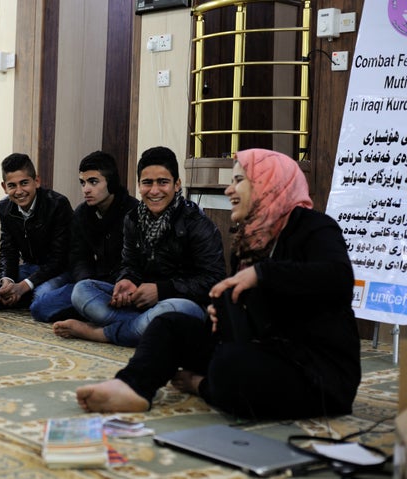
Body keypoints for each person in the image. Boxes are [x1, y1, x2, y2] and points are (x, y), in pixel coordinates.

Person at [75, 148, 361, 420]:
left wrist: (261, 274)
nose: (228, 190)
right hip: (266, 353)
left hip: (316, 373)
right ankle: (132, 387)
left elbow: (337, 278)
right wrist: (225, 315)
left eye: (239, 180)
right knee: (169, 325)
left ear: (267, 183)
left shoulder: (313, 226)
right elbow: (257, 321)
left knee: (230, 365)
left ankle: (202, 385)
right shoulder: (249, 242)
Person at [53, 146, 225, 347]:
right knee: (82, 290)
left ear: (177, 185)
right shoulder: (133, 219)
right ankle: (144, 328)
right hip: (140, 304)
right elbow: (130, 264)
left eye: (163, 182)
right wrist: (127, 280)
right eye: (147, 183)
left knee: (174, 311)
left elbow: (214, 281)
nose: (154, 191)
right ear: (139, 185)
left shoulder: (197, 224)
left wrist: (162, 290)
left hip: (181, 303)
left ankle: (101, 333)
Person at [30, 151, 138, 322]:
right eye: (83, 183)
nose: (86, 189)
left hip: (121, 286)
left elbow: (134, 263)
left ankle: (108, 318)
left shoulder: (134, 212)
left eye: (93, 182)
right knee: (39, 307)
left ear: (112, 183)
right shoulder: (81, 213)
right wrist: (86, 283)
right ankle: (93, 311)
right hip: (89, 283)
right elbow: (78, 257)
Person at [0, 153, 73, 311]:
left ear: (36, 181)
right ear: (4, 187)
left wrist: (23, 286)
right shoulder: (5, 208)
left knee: (41, 302)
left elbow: (59, 259)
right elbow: (8, 250)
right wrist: (6, 281)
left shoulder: (57, 204)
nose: (19, 191)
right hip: (29, 268)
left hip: (60, 270)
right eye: (12, 185)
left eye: (24, 183)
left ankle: (31, 294)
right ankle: (24, 295)